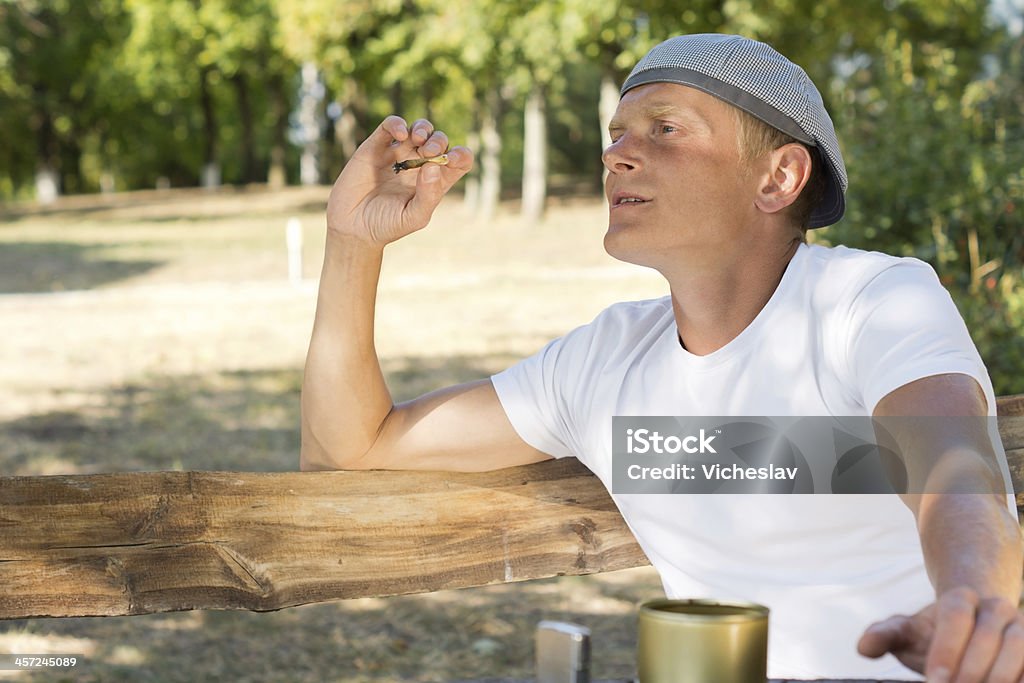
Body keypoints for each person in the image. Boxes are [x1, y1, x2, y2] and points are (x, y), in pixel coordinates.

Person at [300, 33, 1023, 681]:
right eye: (615, 133)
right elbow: (352, 448)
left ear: (778, 179)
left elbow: (954, 467)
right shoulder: (601, 363)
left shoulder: (870, 300)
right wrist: (352, 241)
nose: (616, 152)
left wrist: (973, 602)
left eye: (665, 128)